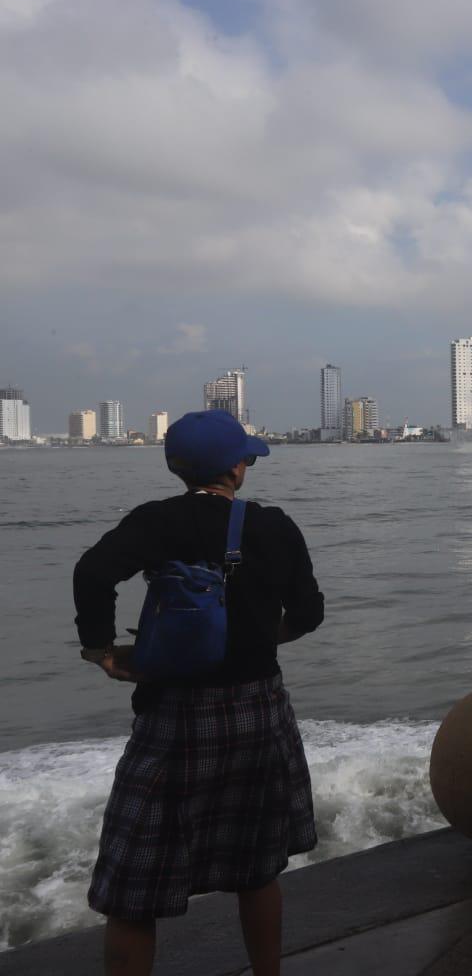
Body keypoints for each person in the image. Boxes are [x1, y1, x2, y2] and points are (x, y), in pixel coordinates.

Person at [74, 410, 324, 976]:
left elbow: (92, 573)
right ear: (238, 468)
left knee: (133, 890)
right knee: (257, 871)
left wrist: (102, 651)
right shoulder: (275, 525)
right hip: (259, 712)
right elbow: (309, 614)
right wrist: (261, 638)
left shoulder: (156, 522)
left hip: (175, 717)